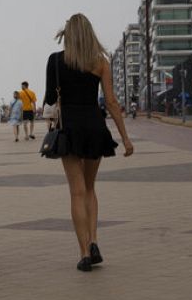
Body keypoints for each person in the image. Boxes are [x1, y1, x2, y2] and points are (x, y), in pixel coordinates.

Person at [42, 14, 134, 272]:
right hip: (95, 126)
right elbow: (112, 102)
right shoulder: (100, 62)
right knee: (91, 189)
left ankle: (83, 253)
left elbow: (50, 97)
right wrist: (125, 138)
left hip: (69, 127)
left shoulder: (56, 61)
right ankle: (94, 241)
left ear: (68, 34)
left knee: (77, 191)